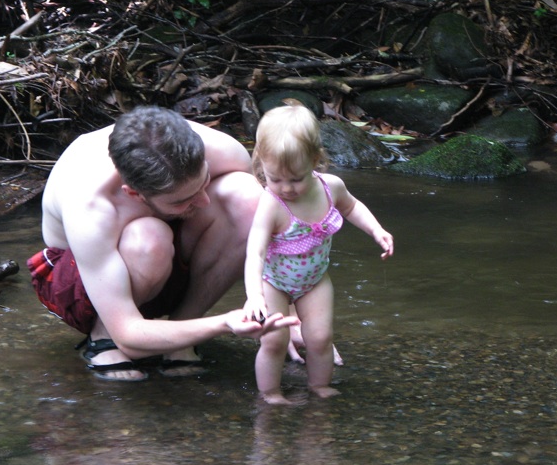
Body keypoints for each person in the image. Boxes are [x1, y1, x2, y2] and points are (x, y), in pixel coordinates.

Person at [28, 105, 299, 382]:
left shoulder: (221, 149)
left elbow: (282, 227)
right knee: (148, 236)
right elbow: (129, 335)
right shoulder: (91, 205)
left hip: (170, 260)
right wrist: (223, 323)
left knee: (249, 198)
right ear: (133, 194)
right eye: (181, 200)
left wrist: (285, 307)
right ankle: (102, 336)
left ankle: (182, 332)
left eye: (203, 182)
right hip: (84, 286)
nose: (204, 201)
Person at [243, 105, 394, 404]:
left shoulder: (331, 188)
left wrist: (377, 231)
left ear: (315, 160)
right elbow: (255, 252)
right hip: (273, 282)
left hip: (314, 281)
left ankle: (319, 386)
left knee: (320, 338)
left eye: (296, 179)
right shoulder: (272, 204)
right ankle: (270, 393)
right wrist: (254, 295)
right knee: (273, 341)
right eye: (274, 178)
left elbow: (352, 207)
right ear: (262, 165)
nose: (285, 188)